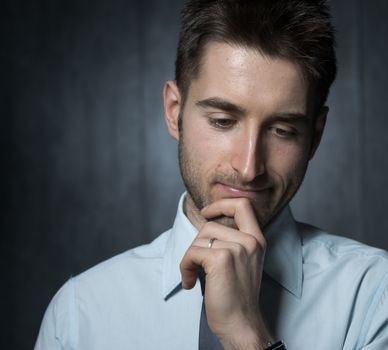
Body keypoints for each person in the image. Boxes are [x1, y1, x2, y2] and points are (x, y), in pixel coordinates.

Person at [35, 0, 388, 349]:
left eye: (282, 130)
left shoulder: (375, 296)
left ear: (316, 135)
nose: (249, 168)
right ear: (175, 112)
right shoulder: (80, 315)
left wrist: (246, 335)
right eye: (222, 121)